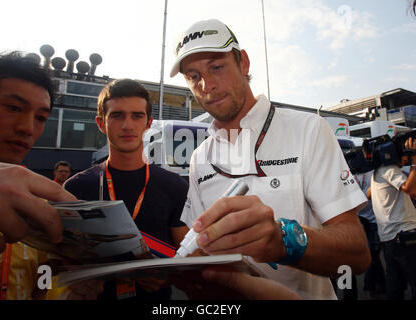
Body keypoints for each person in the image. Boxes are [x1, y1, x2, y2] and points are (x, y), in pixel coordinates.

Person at [170, 19, 371, 299]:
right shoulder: (199, 157)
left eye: (216, 67)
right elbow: (199, 248)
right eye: (193, 76)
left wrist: (284, 240)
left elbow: (357, 255)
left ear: (244, 63)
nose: (207, 85)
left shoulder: (307, 129)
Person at [0, 51, 101, 300]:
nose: (28, 128)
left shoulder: (41, 207)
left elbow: (43, 281)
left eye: (41, 117)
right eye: (13, 108)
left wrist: (71, 288)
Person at [64, 79, 189, 300]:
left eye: (137, 116)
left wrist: (167, 274)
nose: (127, 125)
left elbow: (186, 256)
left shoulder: (175, 185)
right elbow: (64, 259)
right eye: (117, 115)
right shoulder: (76, 187)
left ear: (148, 122)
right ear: (101, 123)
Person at [369, 137, 416, 300]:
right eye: (404, 155)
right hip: (403, 234)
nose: (406, 159)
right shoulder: (389, 170)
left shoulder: (378, 172)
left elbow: (369, 193)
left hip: (390, 236)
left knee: (395, 285)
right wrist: (415, 163)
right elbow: (409, 188)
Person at [355, 170, 385, 298]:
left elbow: (368, 195)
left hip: (374, 219)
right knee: (370, 253)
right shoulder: (352, 174)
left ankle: (374, 285)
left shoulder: (374, 172)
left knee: (373, 253)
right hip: (360, 219)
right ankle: (377, 284)